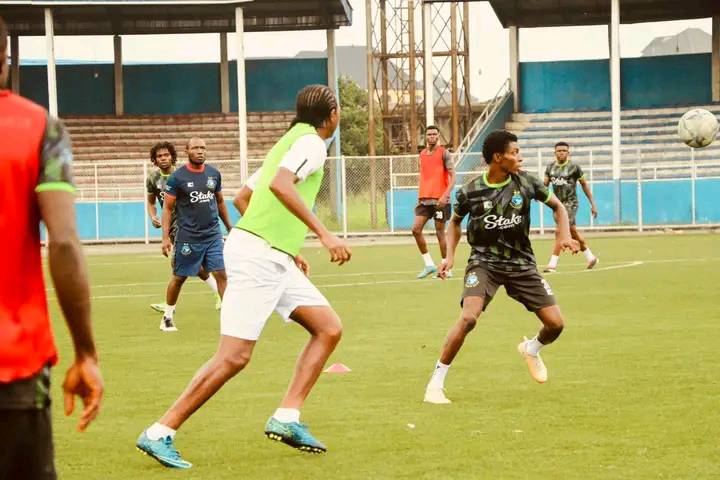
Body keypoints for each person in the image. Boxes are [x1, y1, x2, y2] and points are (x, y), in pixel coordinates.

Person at [136, 85, 351, 469]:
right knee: (233, 356)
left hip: (272, 256)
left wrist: (288, 245)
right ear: (331, 114)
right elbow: (280, 185)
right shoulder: (314, 144)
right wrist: (324, 233)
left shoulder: (286, 141)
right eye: (338, 110)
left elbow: (243, 199)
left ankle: (287, 418)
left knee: (328, 327)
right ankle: (160, 431)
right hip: (258, 258)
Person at [0, 16, 103, 479]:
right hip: (12, 368)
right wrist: (86, 354)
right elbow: (62, 242)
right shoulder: (39, 127)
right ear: (5, 60)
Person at [423, 130, 579, 405]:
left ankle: (531, 349)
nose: (520, 156)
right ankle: (435, 384)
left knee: (555, 324)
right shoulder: (470, 192)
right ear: (498, 158)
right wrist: (449, 257)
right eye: (515, 152)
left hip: (521, 264)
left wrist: (565, 235)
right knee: (469, 317)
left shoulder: (527, 183)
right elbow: (455, 223)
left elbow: (559, 207)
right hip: (484, 263)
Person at [157, 138, 233, 332]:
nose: (200, 151)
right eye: (196, 148)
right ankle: (167, 316)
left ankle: (230, 319)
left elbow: (220, 201)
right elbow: (167, 208)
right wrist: (165, 238)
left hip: (213, 235)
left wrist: (230, 227)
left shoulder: (214, 174)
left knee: (222, 273)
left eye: (203, 148)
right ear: (187, 151)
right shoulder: (178, 178)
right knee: (179, 277)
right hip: (188, 237)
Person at [145, 141, 222, 314]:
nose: (163, 158)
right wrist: (153, 216)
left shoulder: (183, 174)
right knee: (192, 265)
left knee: (182, 265)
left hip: (187, 225)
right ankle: (216, 292)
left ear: (173, 156)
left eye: (166, 155)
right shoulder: (152, 179)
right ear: (154, 160)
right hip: (172, 226)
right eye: (159, 156)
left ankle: (170, 307)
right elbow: (151, 203)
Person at [543, 142, 599, 272]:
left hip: (570, 204)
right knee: (572, 231)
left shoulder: (574, 167)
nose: (561, 153)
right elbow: (544, 185)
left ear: (568, 152)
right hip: (557, 205)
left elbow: (584, 185)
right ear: (555, 153)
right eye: (559, 151)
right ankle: (590, 257)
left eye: (564, 151)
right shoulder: (550, 168)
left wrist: (593, 204)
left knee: (559, 231)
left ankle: (552, 264)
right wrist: (536, 194)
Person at [412, 125, 456, 279]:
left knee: (439, 233)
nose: (431, 136)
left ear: (438, 136)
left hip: (439, 201)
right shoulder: (422, 154)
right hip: (424, 200)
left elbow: (453, 178)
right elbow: (424, 176)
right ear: (425, 136)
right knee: (416, 230)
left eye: (434, 134)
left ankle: (446, 267)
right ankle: (429, 264)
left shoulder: (445, 154)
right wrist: (420, 193)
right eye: (429, 134)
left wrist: (445, 195)